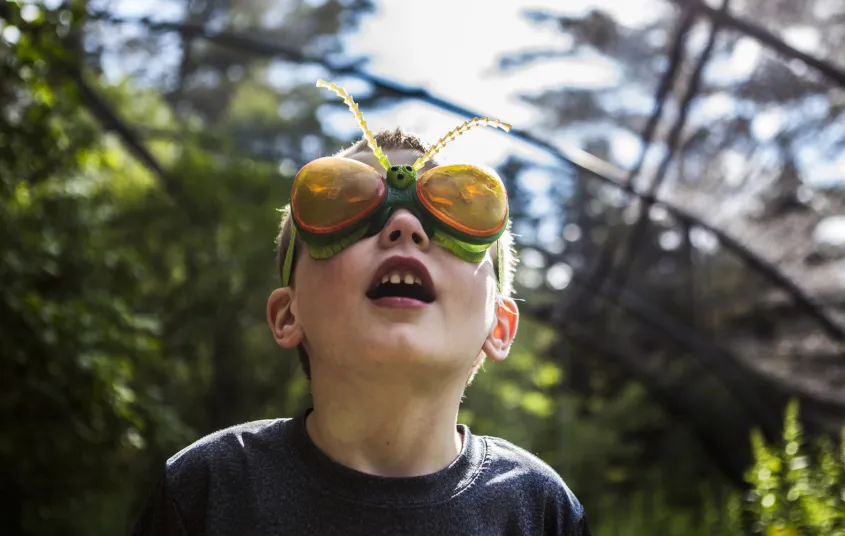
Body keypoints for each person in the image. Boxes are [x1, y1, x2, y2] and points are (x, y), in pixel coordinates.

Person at [131, 80, 591, 536]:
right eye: (345, 202)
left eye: (457, 209)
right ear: (288, 315)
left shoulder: (540, 510)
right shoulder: (208, 488)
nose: (406, 225)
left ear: (500, 326)